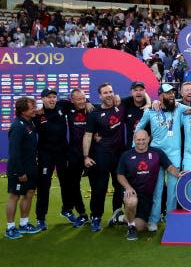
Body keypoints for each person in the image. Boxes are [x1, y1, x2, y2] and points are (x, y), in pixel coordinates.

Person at [135, 83, 190, 231]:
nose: (171, 95)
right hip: (156, 155)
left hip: (174, 156)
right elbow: (139, 128)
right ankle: (154, 219)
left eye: (172, 92)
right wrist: (136, 149)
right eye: (167, 93)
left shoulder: (179, 108)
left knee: (172, 190)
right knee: (157, 189)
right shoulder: (151, 111)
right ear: (160, 96)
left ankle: (170, 217)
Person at [117, 130, 184, 241]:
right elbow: (120, 175)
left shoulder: (157, 153)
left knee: (141, 226)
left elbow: (169, 167)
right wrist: (128, 187)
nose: (141, 142)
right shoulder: (126, 155)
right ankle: (130, 228)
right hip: (131, 191)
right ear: (134, 139)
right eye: (138, 140)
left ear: (148, 139)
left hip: (146, 196)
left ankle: (119, 217)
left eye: (143, 139)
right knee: (131, 201)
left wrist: (178, 174)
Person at [83, 83, 127, 232]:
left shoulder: (121, 106)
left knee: (119, 187)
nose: (109, 94)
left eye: (111, 91)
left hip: (119, 156)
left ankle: (116, 214)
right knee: (99, 188)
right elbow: (88, 135)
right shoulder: (94, 113)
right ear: (100, 96)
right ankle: (96, 217)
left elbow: (140, 96)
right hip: (101, 156)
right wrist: (86, 156)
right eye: (105, 93)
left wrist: (150, 101)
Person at [33, 89, 73, 230]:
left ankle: (67, 210)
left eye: (54, 97)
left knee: (66, 183)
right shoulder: (37, 115)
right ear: (43, 99)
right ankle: (40, 218)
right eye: (48, 97)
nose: (52, 99)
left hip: (62, 152)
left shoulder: (62, 106)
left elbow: (78, 100)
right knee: (43, 186)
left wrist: (86, 103)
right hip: (45, 154)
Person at [5, 97, 42, 239]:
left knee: (29, 193)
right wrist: (19, 172)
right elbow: (14, 153)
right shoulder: (17, 126)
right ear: (22, 110)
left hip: (31, 167)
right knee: (15, 196)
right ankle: (10, 228)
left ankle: (24, 224)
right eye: (31, 107)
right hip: (19, 169)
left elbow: (40, 111)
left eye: (34, 106)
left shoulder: (29, 122)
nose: (35, 109)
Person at [65, 89, 92, 228]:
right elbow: (52, 105)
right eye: (79, 99)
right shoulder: (66, 107)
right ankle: (82, 214)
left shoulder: (91, 108)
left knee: (96, 184)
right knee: (74, 185)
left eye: (84, 98)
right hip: (75, 153)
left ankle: (96, 215)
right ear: (72, 100)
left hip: (92, 154)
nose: (82, 101)